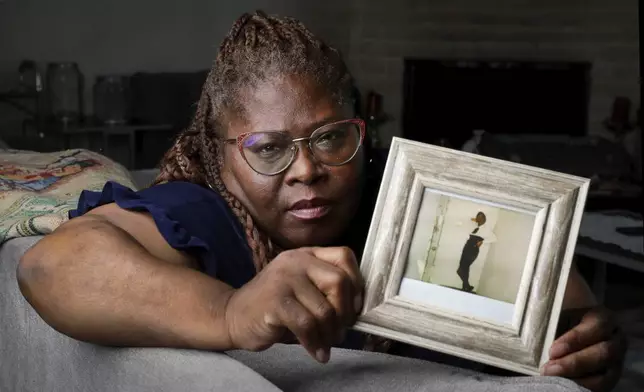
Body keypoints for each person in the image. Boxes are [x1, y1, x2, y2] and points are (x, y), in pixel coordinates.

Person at [17, 11, 626, 392]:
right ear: (221, 153)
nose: (306, 170)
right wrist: (233, 312)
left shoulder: (404, 196)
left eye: (330, 137)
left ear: (362, 131)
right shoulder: (204, 211)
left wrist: (589, 342)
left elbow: (561, 301)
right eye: (268, 148)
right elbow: (51, 266)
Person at [456, 211, 496, 292]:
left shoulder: (486, 229)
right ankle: (466, 287)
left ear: (485, 219)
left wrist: (482, 242)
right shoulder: (473, 225)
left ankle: (466, 286)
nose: (480, 220)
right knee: (464, 269)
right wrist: (473, 219)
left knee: (461, 270)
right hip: (466, 248)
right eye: (478, 218)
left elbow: (494, 238)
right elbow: (463, 221)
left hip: (473, 250)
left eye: (482, 218)